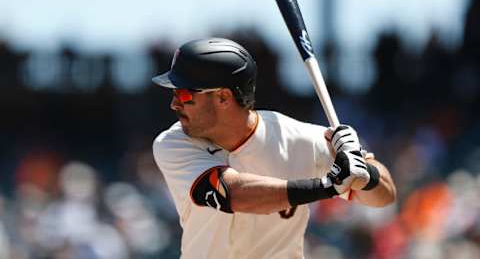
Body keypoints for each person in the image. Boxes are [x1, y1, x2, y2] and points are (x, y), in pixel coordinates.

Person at [152, 38, 396, 259]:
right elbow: (233, 193)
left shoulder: (301, 139)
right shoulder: (173, 143)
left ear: (224, 98)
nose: (174, 104)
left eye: (183, 94)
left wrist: (362, 170)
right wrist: (328, 186)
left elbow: (384, 196)